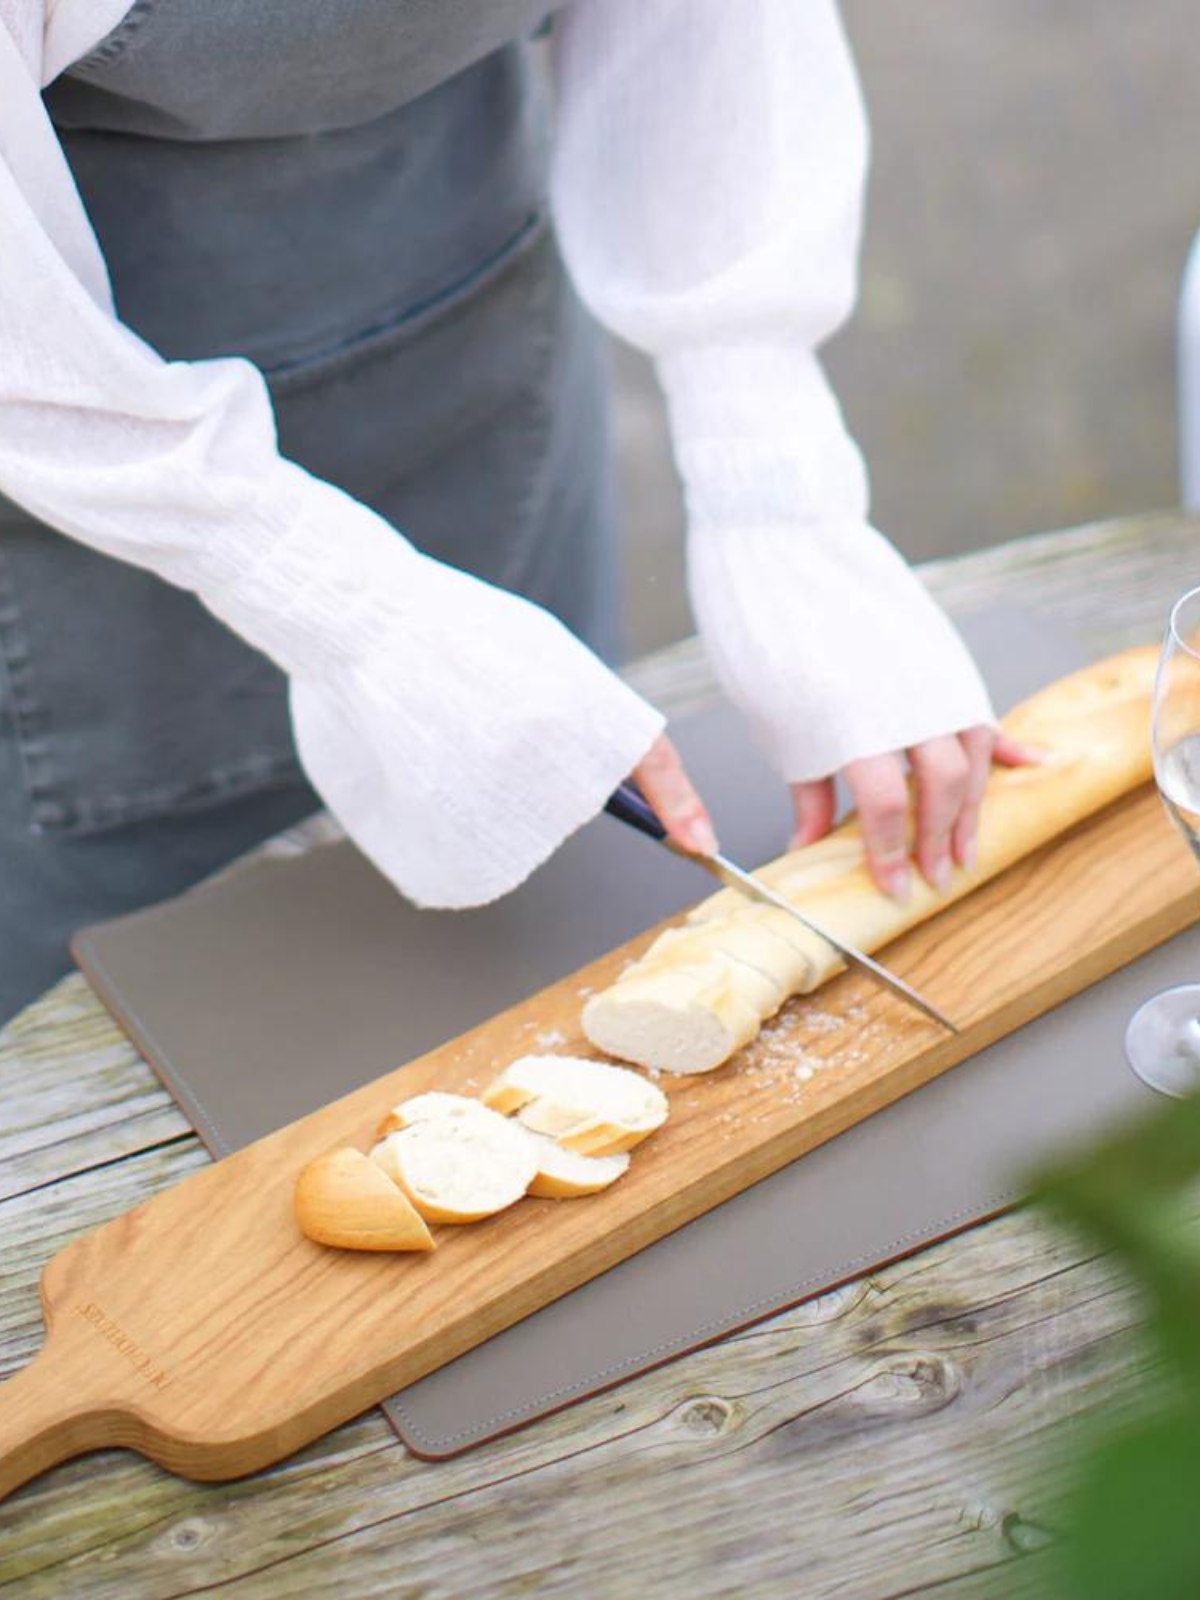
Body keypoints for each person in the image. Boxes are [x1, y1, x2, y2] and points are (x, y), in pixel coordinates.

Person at [0, 0, 1033, 1027]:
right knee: (184, 1028)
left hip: (485, 349)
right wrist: (321, 587)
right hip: (90, 481)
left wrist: (773, 484)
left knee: (558, 939)